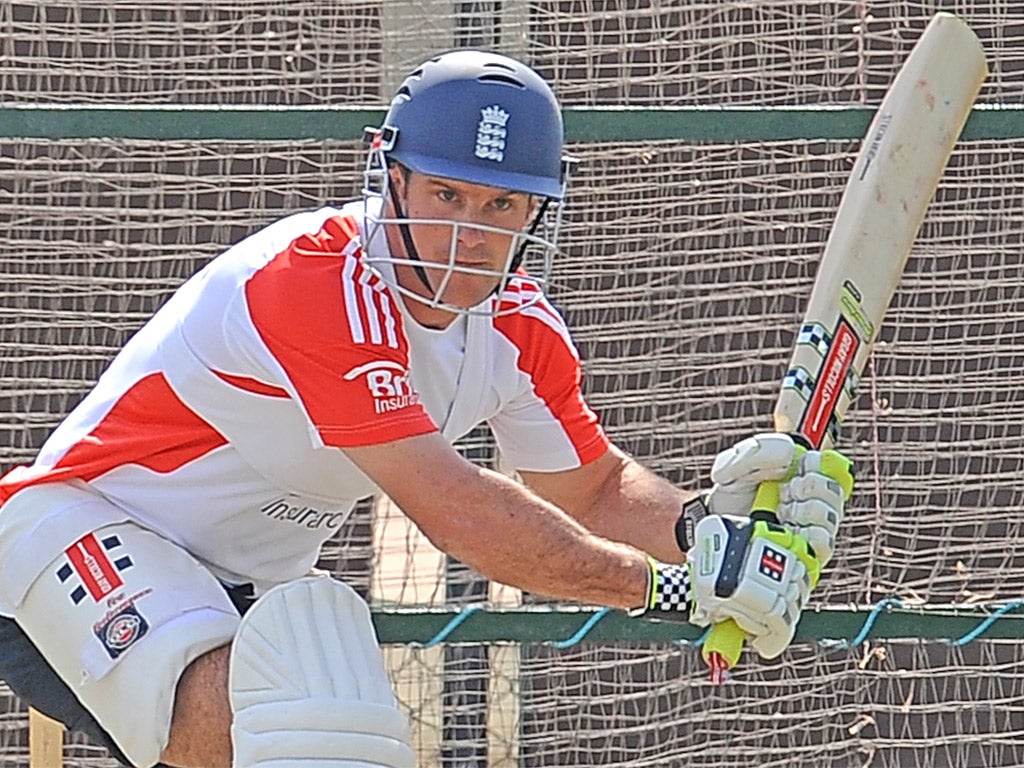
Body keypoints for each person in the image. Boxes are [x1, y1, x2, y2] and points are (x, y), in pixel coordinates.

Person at [0, 50, 853, 768]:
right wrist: (675, 588)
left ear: (534, 214)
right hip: (71, 533)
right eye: (446, 196)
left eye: (500, 206)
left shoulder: (519, 330)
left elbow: (591, 491)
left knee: (338, 717)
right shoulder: (315, 283)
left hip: (240, 585)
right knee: (296, 717)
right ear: (392, 177)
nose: (468, 234)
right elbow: (455, 512)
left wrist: (711, 530)